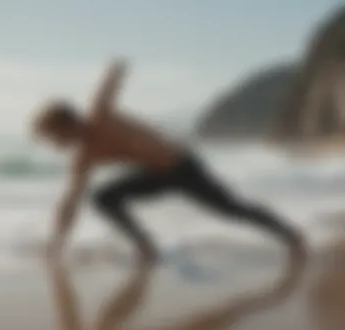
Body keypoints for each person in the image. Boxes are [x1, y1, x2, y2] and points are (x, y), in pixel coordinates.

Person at [31, 58, 306, 265]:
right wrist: (56, 244)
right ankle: (145, 247)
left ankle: (289, 233)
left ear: (65, 126)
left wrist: (118, 65)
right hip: (153, 176)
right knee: (102, 197)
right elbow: (69, 202)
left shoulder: (99, 114)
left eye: (52, 136)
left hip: (183, 167)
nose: (54, 145)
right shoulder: (83, 158)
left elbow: (112, 77)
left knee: (231, 209)